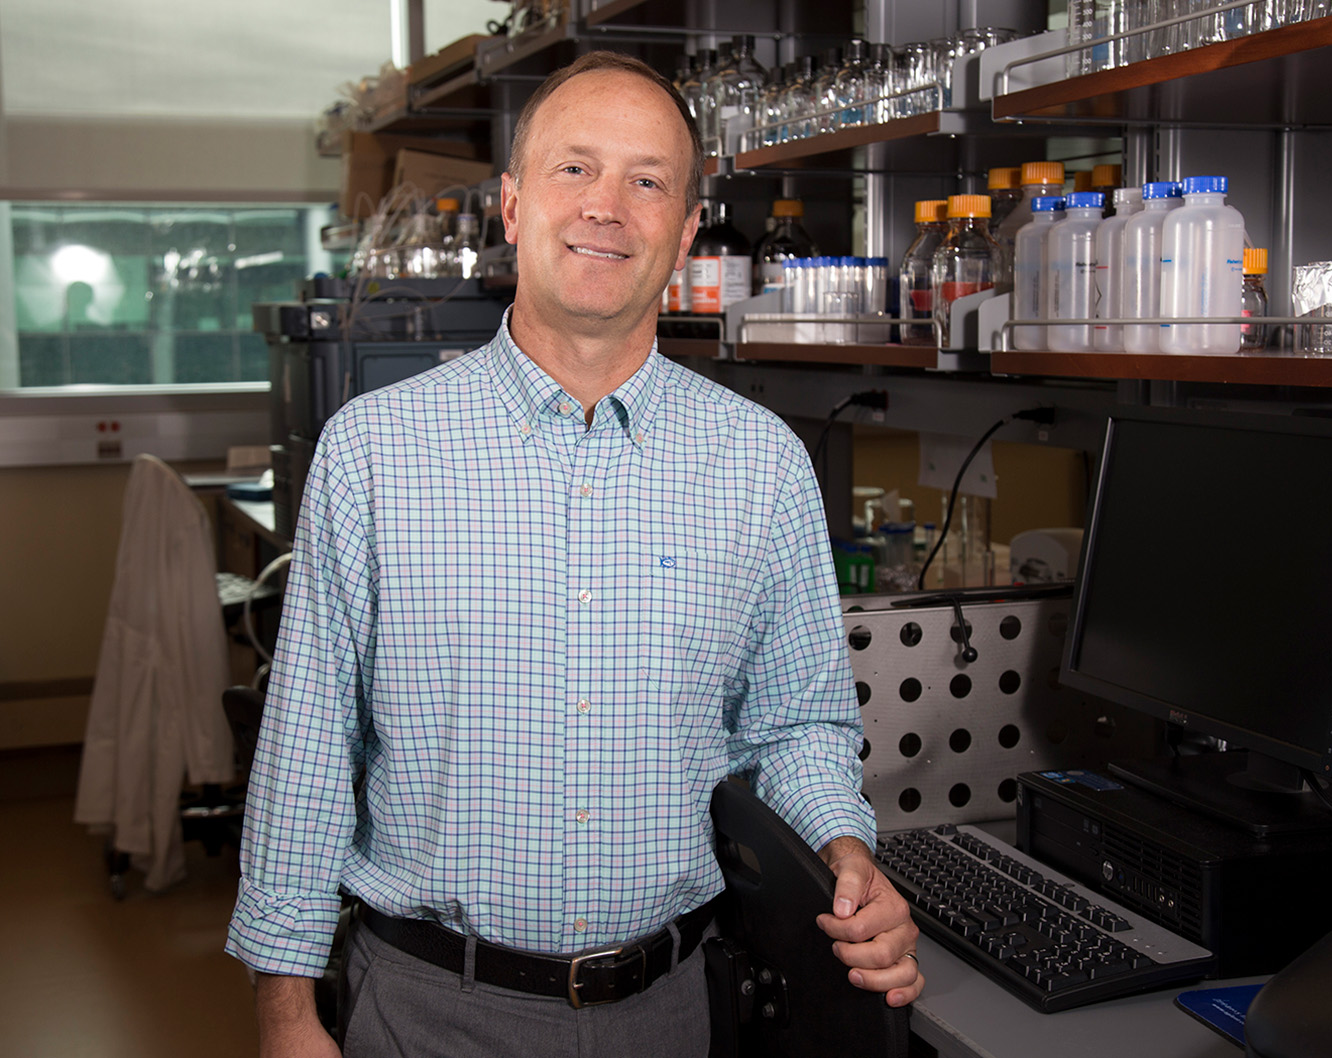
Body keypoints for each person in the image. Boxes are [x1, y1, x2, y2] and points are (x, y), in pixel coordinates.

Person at [227, 51, 921, 1058]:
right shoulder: (374, 450)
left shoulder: (759, 462)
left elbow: (800, 717)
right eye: (574, 169)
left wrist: (846, 853)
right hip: (427, 1010)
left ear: (685, 231)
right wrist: (285, 1009)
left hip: (672, 1007)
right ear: (512, 204)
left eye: (647, 180)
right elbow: (307, 750)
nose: (609, 206)